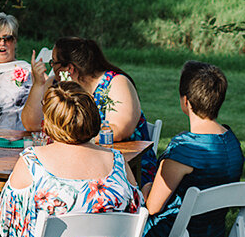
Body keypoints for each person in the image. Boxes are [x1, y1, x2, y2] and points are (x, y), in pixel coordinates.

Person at [0, 81, 142, 237]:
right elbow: (136, 209)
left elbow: (6, 218)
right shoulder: (117, 161)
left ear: (49, 121)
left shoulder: (32, 161)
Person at [139, 61, 244, 237]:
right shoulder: (232, 142)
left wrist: (144, 186)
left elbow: (152, 207)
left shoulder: (184, 150)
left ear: (186, 101)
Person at [21, 37, 158, 186]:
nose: (51, 67)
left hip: (125, 171)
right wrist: (38, 85)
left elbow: (118, 130)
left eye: (53, 62)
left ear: (69, 69)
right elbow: (32, 125)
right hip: (74, 165)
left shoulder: (115, 83)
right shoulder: (56, 83)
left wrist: (65, 137)